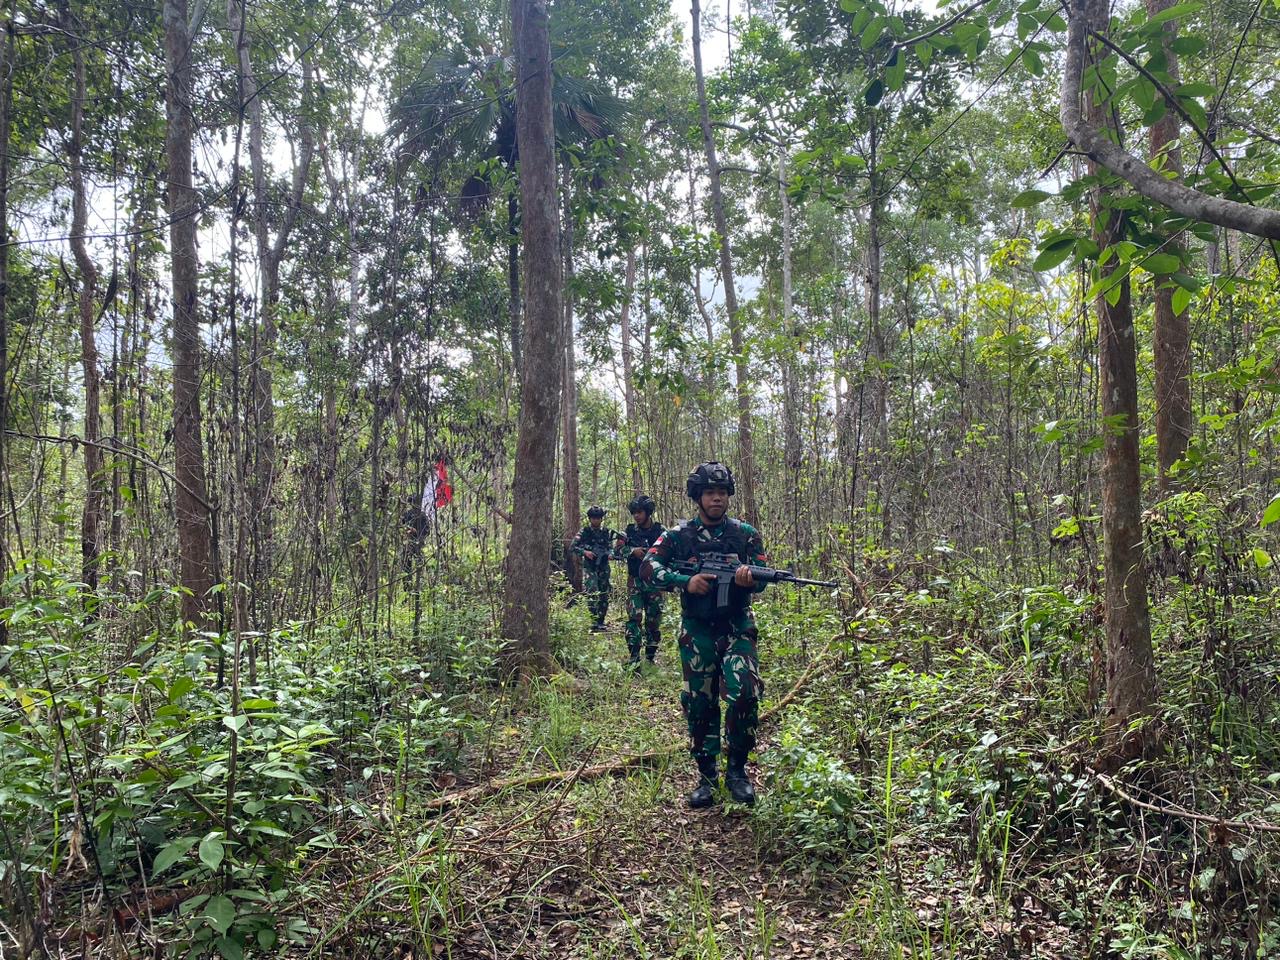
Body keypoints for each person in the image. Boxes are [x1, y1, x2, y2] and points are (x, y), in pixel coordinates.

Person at [641, 462, 766, 808]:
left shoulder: (745, 534)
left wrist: (749, 579)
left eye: (722, 493)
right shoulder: (678, 536)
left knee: (744, 693)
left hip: (736, 626)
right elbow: (648, 567)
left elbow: (763, 577)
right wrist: (685, 582)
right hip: (696, 631)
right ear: (698, 496)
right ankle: (707, 776)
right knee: (699, 702)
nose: (716, 498)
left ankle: (737, 771)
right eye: (710, 493)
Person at [614, 495, 665, 666]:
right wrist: (632, 551)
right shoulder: (628, 532)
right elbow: (616, 551)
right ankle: (634, 656)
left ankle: (650, 657)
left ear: (648, 512)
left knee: (653, 620)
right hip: (635, 581)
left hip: (655, 583)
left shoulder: (660, 531)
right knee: (633, 618)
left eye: (640, 512)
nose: (637, 516)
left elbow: (671, 551)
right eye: (634, 512)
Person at [572, 505, 615, 632]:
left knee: (603, 592)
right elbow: (573, 547)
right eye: (593, 518)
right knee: (591, 591)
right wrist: (585, 552)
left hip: (603, 566)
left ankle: (601, 621)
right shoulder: (584, 532)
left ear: (601, 519)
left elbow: (610, 547)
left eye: (598, 518)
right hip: (590, 567)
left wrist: (611, 554)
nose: (596, 520)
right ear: (590, 519)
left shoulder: (606, 532)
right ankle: (593, 621)